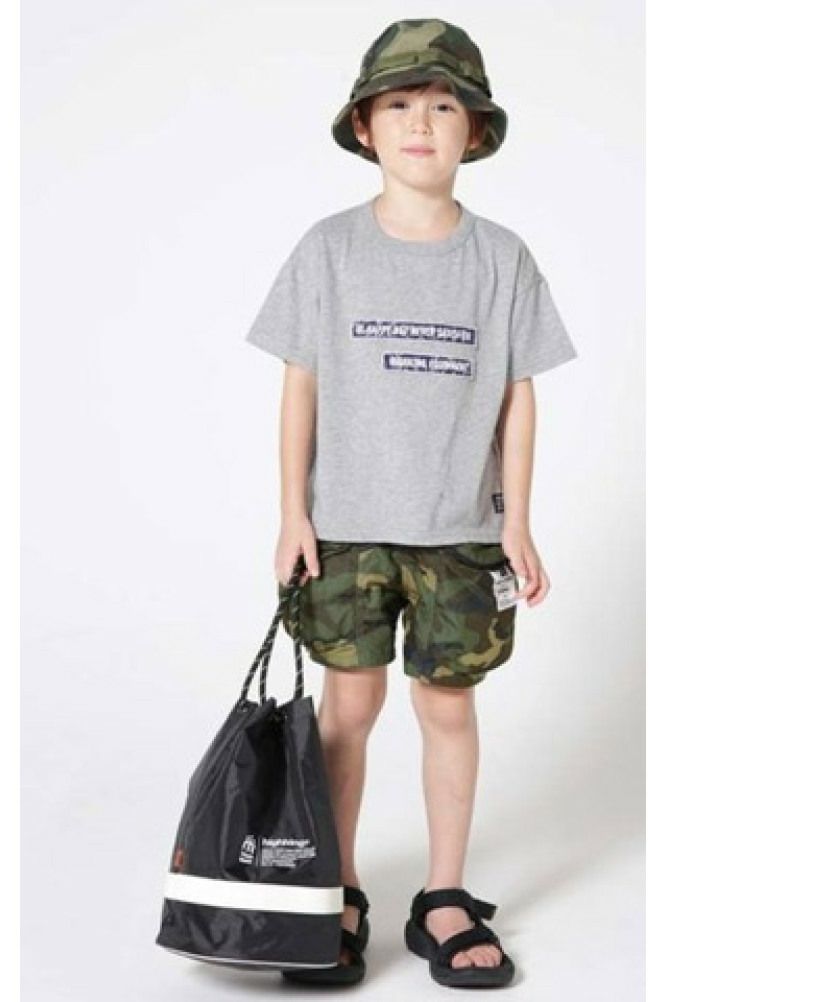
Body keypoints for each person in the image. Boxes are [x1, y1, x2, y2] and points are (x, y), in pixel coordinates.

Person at [244, 17, 578, 990]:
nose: (421, 123)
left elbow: (519, 396)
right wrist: (292, 512)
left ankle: (444, 896)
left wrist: (516, 519)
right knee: (346, 711)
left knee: (447, 709)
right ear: (364, 126)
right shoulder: (328, 250)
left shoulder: (503, 259)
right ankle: (339, 889)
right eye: (399, 105)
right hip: (345, 529)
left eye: (443, 105)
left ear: (475, 130)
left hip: (460, 535)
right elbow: (300, 386)